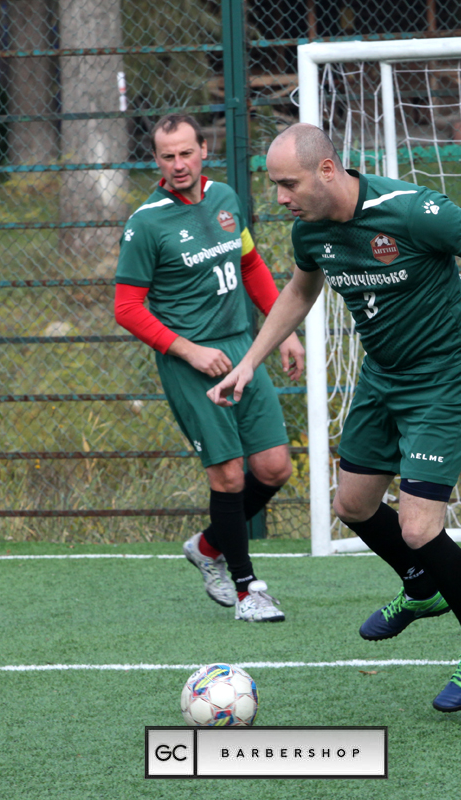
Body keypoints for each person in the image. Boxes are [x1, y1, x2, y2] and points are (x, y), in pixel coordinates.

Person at [209, 124, 461, 712]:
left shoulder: (411, 210)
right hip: (383, 376)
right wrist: (249, 362)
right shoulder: (310, 230)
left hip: (445, 378)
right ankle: (420, 586)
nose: (280, 197)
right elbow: (299, 292)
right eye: (275, 184)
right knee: (353, 506)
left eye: (288, 183)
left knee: (418, 528)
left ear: (327, 170)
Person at [115, 113, 304, 622]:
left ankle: (206, 547)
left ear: (204, 149)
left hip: (243, 348)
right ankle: (247, 592)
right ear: (156, 160)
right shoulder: (146, 223)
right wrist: (188, 350)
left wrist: (281, 331)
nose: (178, 164)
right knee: (228, 476)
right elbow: (127, 308)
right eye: (167, 156)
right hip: (191, 363)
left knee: (274, 468)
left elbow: (250, 265)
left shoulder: (224, 199)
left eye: (186, 153)